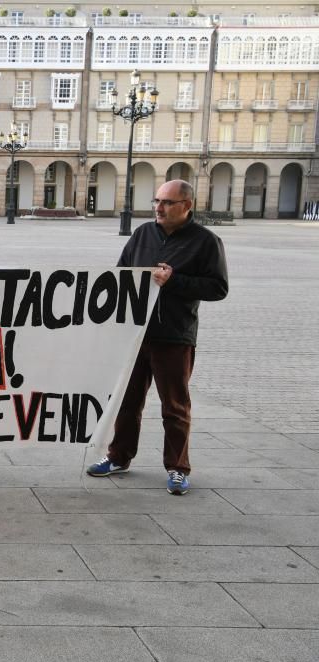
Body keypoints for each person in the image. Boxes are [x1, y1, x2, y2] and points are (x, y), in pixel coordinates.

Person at [86, 179, 228, 495]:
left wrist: (174, 281)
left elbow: (217, 288)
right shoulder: (143, 234)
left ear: (187, 206)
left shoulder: (206, 242)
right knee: (126, 401)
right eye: (157, 201)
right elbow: (121, 272)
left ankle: (178, 468)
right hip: (136, 335)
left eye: (167, 202)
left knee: (174, 406)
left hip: (175, 336)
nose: (159, 208)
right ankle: (118, 456)